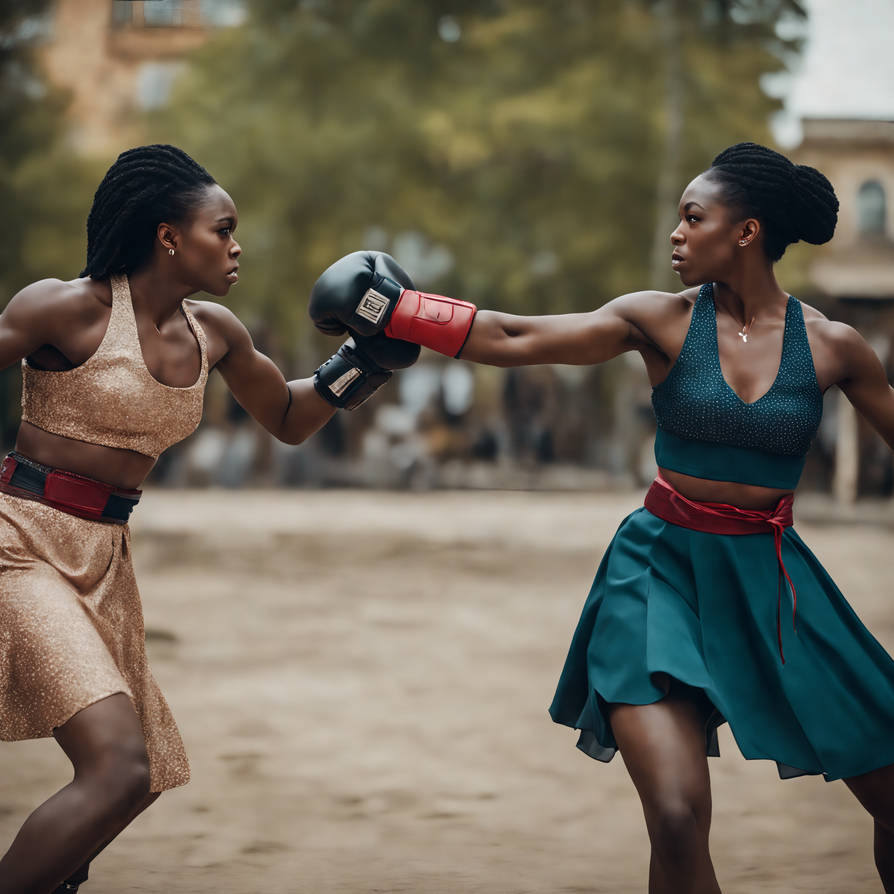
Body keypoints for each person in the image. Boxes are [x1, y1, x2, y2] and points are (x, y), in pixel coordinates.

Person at [308, 142, 894, 893]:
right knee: (678, 817)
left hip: (774, 580)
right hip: (659, 575)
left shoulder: (835, 348)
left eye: (694, 217)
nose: (675, 234)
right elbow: (514, 336)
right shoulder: (660, 320)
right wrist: (403, 311)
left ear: (746, 231)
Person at [0, 144, 418, 893]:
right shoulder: (64, 307)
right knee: (117, 766)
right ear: (170, 236)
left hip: (106, 560)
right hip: (21, 545)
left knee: (144, 773)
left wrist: (371, 359)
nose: (235, 246)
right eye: (221, 230)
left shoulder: (215, 332)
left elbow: (289, 416)